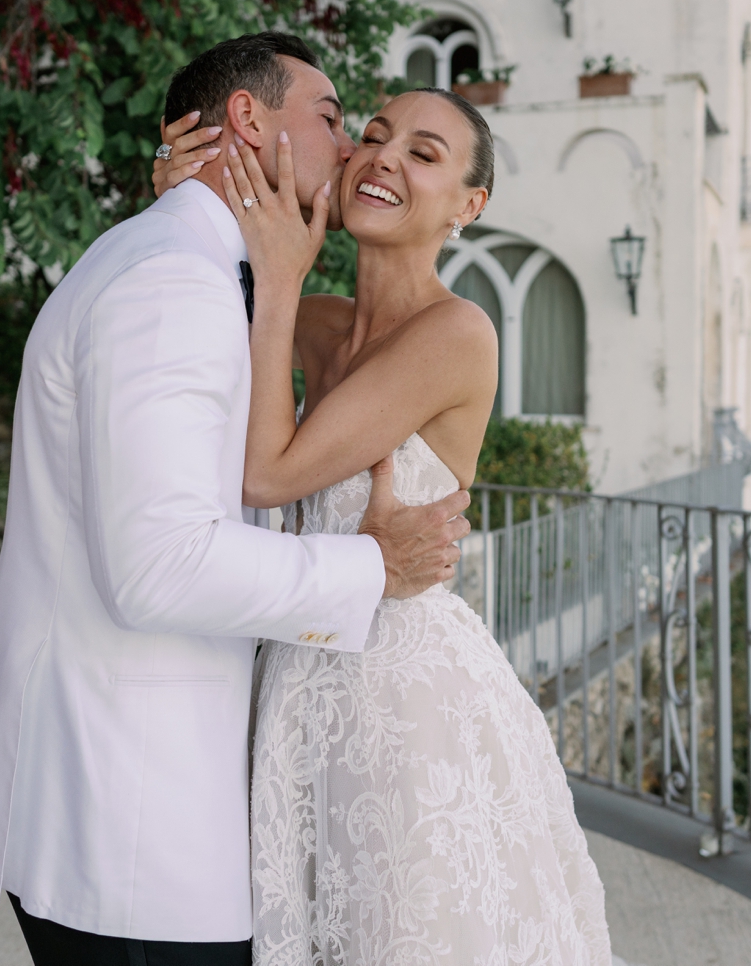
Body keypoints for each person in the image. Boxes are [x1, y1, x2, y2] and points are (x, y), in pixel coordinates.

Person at [0, 34, 471, 965]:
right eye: (338, 120)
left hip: (216, 771)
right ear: (247, 120)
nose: (353, 153)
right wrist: (370, 565)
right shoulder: (176, 283)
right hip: (130, 821)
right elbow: (162, 567)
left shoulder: (198, 269)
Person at [154, 87, 613, 964]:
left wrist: (281, 277)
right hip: (293, 681)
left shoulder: (458, 333)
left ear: (468, 207)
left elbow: (268, 472)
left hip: (404, 701)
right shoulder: (313, 324)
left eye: (425, 153)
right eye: (372, 136)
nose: (384, 157)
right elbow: (192, 291)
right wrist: (181, 193)